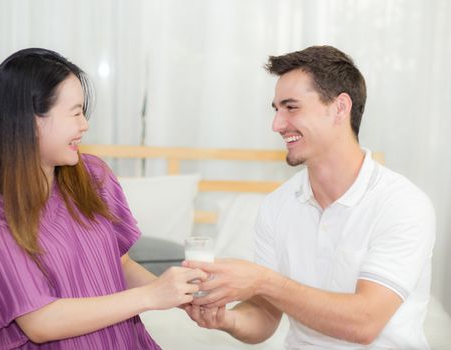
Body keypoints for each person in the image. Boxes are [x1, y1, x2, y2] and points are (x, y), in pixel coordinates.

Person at [183, 45, 435, 349]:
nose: (277, 124)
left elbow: (365, 322)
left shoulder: (402, 204)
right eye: (276, 109)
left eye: (291, 107)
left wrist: (263, 280)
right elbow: (264, 317)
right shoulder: (277, 206)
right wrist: (226, 319)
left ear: (340, 108)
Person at [0, 48, 207, 349]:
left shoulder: (92, 176)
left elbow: (120, 266)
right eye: (75, 113)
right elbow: (40, 322)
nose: (84, 125)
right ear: (32, 122)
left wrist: (177, 294)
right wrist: (151, 296)